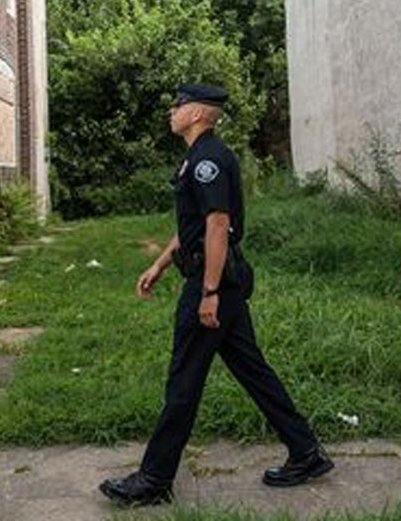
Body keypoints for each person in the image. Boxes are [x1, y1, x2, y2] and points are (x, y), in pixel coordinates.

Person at [99, 83, 333, 507]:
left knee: (182, 382)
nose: (172, 110)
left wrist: (208, 292)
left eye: (178, 104)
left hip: (213, 286)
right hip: (219, 282)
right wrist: (160, 263)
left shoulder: (208, 160)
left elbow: (217, 225)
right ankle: (306, 452)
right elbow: (193, 225)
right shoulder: (197, 158)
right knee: (253, 371)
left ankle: (154, 479)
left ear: (197, 114)